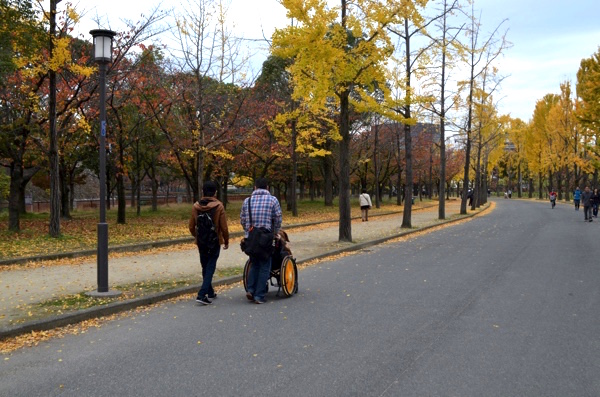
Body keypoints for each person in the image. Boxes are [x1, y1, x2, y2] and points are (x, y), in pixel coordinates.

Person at [240, 177, 282, 304]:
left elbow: (242, 219)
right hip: (266, 238)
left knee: (254, 263)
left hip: (251, 238)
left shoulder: (247, 201)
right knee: (265, 265)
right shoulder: (273, 200)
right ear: (267, 188)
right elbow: (278, 218)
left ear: (255, 187)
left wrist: (248, 231)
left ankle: (251, 289)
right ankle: (259, 295)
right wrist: (275, 232)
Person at [189, 181, 229, 305]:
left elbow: (191, 226)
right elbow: (224, 227)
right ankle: (202, 294)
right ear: (215, 192)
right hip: (214, 240)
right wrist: (226, 240)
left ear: (203, 191)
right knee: (210, 266)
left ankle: (210, 292)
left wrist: (197, 236)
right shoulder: (219, 206)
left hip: (201, 241)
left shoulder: (196, 206)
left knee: (205, 266)